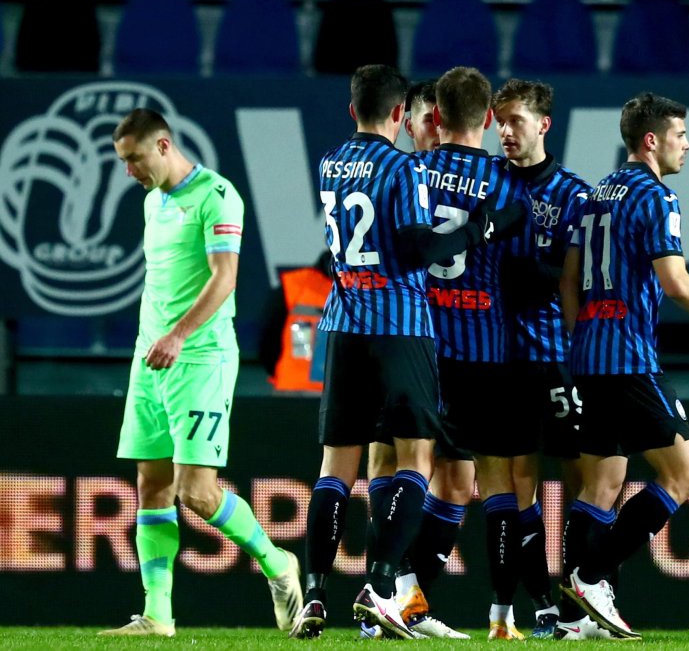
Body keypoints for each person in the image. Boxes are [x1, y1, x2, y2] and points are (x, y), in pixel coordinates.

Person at [289, 64, 521, 639]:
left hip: (343, 324)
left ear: (353, 110)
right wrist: (480, 229)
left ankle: (314, 594)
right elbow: (418, 249)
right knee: (417, 460)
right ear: (400, 114)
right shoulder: (404, 169)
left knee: (335, 470)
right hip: (400, 326)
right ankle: (382, 584)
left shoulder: (330, 162)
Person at [559, 92, 689, 639]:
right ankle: (591, 576)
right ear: (652, 140)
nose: (688, 145)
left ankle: (572, 620)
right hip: (629, 359)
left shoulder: (595, 194)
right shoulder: (657, 197)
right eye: (680, 135)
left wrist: (581, 337)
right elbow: (675, 283)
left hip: (588, 356)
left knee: (602, 483)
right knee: (684, 475)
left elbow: (568, 279)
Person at [102, 108, 303, 637]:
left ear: (163, 146)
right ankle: (157, 615)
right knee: (151, 485)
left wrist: (178, 335)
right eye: (123, 162)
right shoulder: (153, 201)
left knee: (197, 493)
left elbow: (225, 278)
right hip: (151, 359)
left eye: (134, 159)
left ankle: (278, 564)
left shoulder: (217, 196)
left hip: (199, 358)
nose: (129, 171)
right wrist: (156, 340)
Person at [359, 77, 475, 641]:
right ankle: (391, 598)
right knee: (390, 463)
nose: (435, 128)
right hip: (403, 341)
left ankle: (406, 602)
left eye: (440, 119)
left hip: (462, 349)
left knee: (457, 481)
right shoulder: (396, 176)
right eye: (427, 119)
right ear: (407, 122)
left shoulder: (468, 180)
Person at [418, 66, 532, 640]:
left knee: (424, 476)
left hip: (419, 347)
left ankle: (399, 600)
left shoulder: (412, 172)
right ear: (488, 118)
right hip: (483, 350)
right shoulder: (507, 183)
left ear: (435, 116)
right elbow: (528, 271)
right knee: (493, 483)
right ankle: (501, 616)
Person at [492, 77, 593, 639]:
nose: (506, 132)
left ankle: (587, 597)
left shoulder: (574, 194)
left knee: (582, 480)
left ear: (543, 124)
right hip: (501, 356)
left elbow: (580, 278)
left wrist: (538, 271)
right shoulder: (487, 183)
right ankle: (545, 607)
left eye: (517, 121)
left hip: (558, 355)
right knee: (517, 483)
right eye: (500, 122)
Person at [258, 252, 334, 393]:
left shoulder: (373, 290)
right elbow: (268, 340)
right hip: (294, 393)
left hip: (346, 399)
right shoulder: (294, 285)